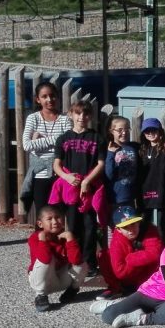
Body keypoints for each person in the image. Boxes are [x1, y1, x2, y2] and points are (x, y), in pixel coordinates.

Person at [51, 101, 105, 272]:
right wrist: (67, 177)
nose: (82, 117)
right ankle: (73, 261)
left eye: (86, 114)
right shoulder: (63, 138)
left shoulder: (97, 138)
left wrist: (87, 181)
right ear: (71, 114)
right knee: (73, 226)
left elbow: (101, 163)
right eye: (78, 113)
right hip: (70, 189)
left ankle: (90, 264)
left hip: (89, 188)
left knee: (90, 227)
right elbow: (56, 164)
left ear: (90, 116)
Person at [21, 82, 72, 218]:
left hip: (60, 174)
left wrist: (39, 140)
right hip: (40, 175)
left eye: (52, 95)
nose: (49, 99)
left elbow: (68, 143)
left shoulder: (65, 119)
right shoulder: (33, 118)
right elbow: (27, 145)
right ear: (38, 99)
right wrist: (57, 139)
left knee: (59, 214)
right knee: (43, 214)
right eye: (44, 96)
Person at [97, 206, 161, 300]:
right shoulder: (117, 238)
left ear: (139, 222)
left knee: (161, 259)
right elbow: (120, 272)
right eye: (125, 227)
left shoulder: (149, 230)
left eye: (133, 224)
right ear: (118, 229)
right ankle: (115, 288)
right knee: (104, 255)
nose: (131, 230)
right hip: (129, 277)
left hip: (148, 277)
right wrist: (139, 257)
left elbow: (155, 254)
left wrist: (131, 258)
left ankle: (149, 288)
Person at [27, 205, 83, 312]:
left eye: (58, 217)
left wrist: (70, 239)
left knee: (82, 263)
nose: (55, 221)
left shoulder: (65, 236)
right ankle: (41, 296)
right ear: (40, 224)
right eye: (49, 219)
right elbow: (44, 259)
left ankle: (72, 290)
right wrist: (43, 240)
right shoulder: (35, 238)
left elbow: (76, 261)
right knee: (49, 259)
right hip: (42, 280)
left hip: (61, 278)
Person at [138, 118, 165, 238]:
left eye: (154, 130)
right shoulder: (141, 150)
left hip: (163, 192)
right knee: (143, 225)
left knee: (163, 227)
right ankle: (143, 247)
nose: (150, 133)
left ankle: (164, 248)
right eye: (147, 131)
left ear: (160, 131)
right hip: (145, 192)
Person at [105, 116, 141, 208]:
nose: (124, 133)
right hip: (116, 196)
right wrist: (110, 153)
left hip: (133, 195)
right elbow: (109, 174)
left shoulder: (135, 147)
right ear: (112, 131)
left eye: (127, 129)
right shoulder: (107, 148)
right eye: (120, 130)